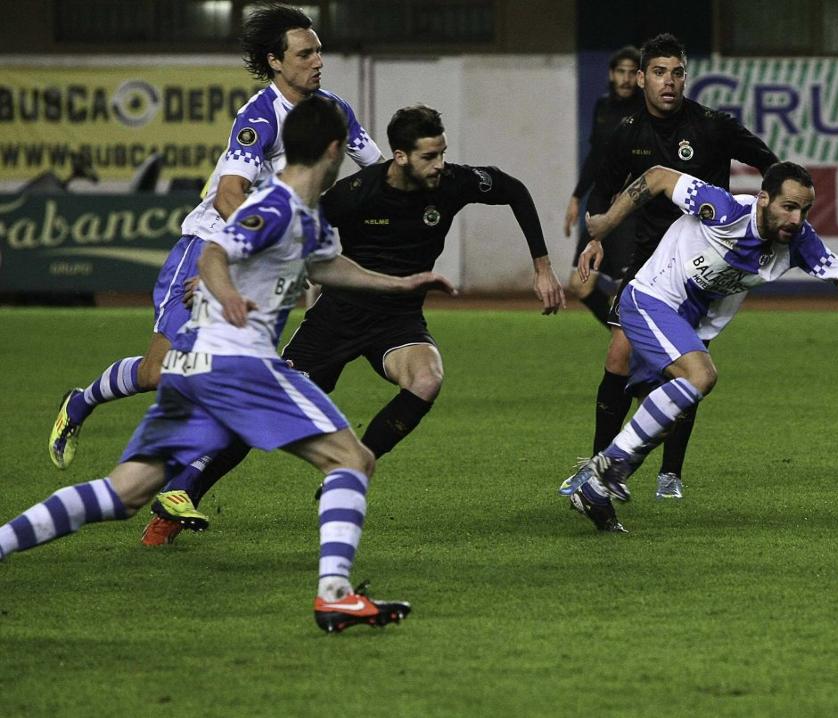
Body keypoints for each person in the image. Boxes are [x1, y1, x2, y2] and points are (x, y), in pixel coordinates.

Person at [2, 96, 454, 633]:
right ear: (334, 149)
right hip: (238, 364)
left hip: (195, 367)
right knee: (352, 461)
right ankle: (334, 594)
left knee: (126, 492)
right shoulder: (278, 203)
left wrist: (402, 284)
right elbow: (216, 252)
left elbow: (329, 267)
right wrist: (227, 293)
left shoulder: (309, 214)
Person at [139, 103, 565, 544]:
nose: (439, 165)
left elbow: (512, 188)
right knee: (263, 410)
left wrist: (542, 266)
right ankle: (180, 496)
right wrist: (225, 272)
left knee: (426, 378)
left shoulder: (452, 182)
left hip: (398, 319)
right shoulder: (356, 193)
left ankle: (351, 470)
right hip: (336, 319)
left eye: (441, 153)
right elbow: (287, 236)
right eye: (428, 157)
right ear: (399, 157)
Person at [47, 3, 384, 477]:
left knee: (228, 372)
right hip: (210, 242)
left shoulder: (334, 111)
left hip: (257, 253)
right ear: (275, 61)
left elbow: (380, 172)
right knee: (158, 373)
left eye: (318, 52)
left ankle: (179, 486)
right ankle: (82, 402)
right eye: (305, 54)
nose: (317, 62)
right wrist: (232, 262)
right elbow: (229, 196)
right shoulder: (259, 117)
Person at [560, 162, 838, 532]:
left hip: (685, 326)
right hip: (651, 300)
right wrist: (606, 224)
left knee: (665, 421)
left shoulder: (798, 240)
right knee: (702, 375)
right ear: (764, 199)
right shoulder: (724, 209)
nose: (797, 219)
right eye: (789, 206)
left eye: (805, 210)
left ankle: (595, 489)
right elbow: (658, 176)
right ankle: (608, 467)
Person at [579, 33, 778, 501]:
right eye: (659, 72)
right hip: (647, 258)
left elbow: (773, 167)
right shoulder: (625, 131)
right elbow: (602, 193)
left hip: (702, 268)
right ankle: (598, 461)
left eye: (677, 73)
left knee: (686, 367)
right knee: (618, 355)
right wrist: (596, 240)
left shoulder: (714, 126)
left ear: (685, 77)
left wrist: (767, 218)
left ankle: (670, 473)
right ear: (644, 77)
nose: (669, 82)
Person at [562, 45, 643, 327]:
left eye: (632, 73)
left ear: (640, 77)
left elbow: (654, 162)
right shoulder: (604, 106)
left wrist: (632, 187)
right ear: (611, 74)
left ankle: (636, 347)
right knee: (580, 285)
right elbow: (596, 157)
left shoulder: (647, 112)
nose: (626, 79)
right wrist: (576, 197)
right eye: (621, 72)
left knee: (629, 293)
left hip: (630, 214)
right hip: (600, 209)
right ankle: (627, 338)